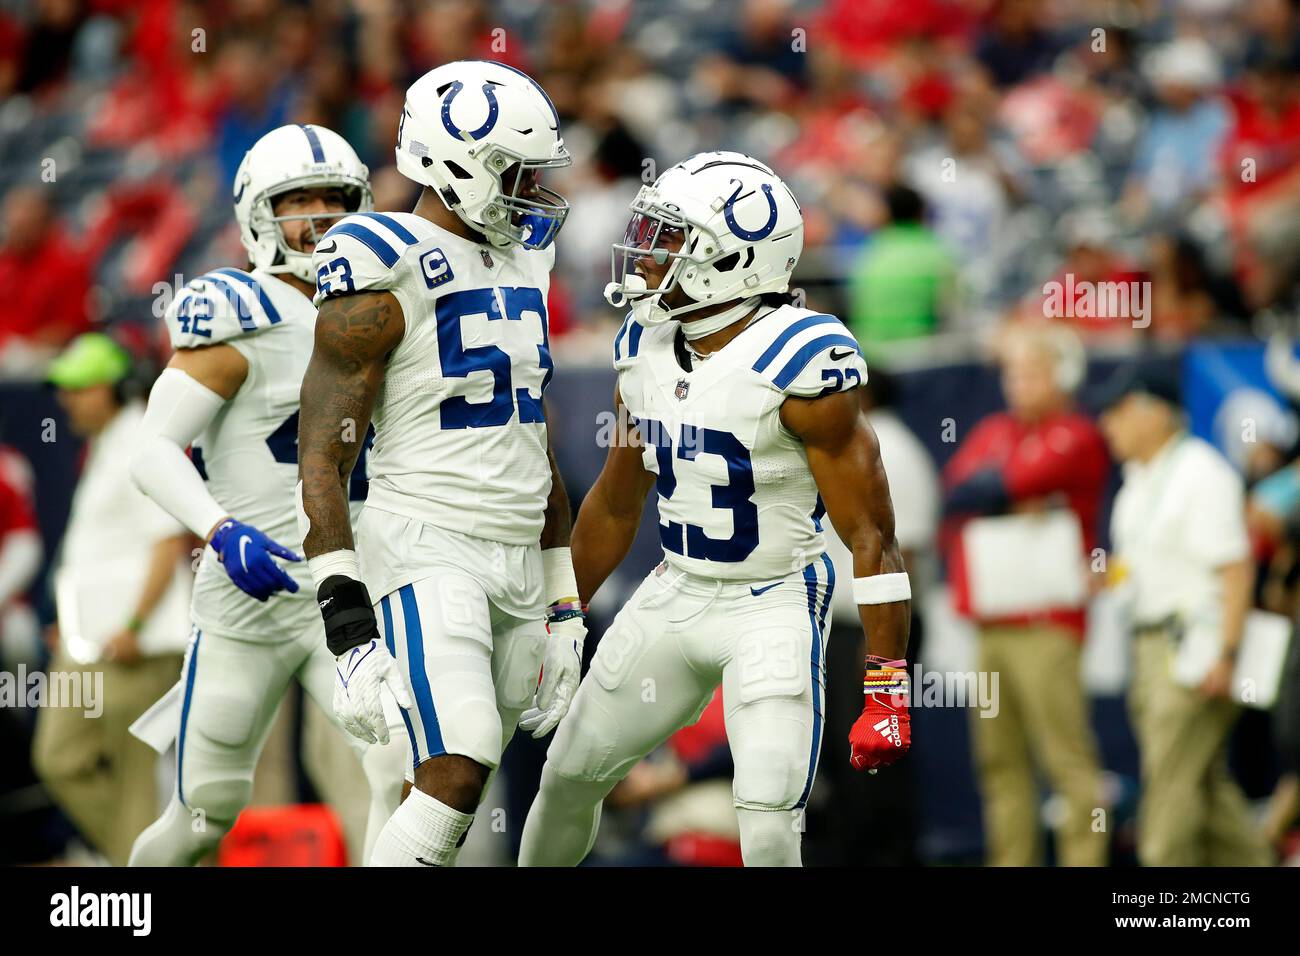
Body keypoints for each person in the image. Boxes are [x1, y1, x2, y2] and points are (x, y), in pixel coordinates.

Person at [519, 151, 912, 867]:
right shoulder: (645, 341)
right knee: (568, 777)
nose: (647, 251)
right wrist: (562, 614)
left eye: (671, 237)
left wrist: (887, 683)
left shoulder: (804, 363)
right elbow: (614, 501)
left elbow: (872, 535)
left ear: (731, 260)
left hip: (773, 599)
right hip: (676, 590)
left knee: (766, 821)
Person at [296, 60, 582, 867]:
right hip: (428, 542)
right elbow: (323, 452)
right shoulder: (379, 256)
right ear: (456, 163)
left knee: (452, 788)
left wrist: (563, 599)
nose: (530, 187)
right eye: (514, 170)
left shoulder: (528, 259)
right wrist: (346, 623)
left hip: (517, 552)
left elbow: (533, 436)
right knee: (458, 765)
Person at [127, 124, 404, 867]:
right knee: (201, 819)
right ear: (257, 214)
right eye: (297, 200)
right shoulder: (237, 313)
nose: (318, 216)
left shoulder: (390, 308)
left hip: (346, 590)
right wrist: (220, 531)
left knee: (403, 778)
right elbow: (149, 450)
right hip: (246, 597)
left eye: (335, 199)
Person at [941, 322, 1110, 866]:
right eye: (1012, 372)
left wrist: (1006, 490)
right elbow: (960, 489)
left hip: (1047, 621)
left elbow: (1002, 483)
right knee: (999, 761)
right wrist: (1010, 492)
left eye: (1031, 372)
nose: (1017, 384)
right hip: (993, 621)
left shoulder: (1078, 432)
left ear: (1063, 376)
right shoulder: (994, 429)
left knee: (1067, 759)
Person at [1097, 361, 1272, 866]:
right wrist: (1111, 578)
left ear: (1154, 412)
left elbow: (1235, 568)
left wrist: (1227, 653)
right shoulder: (1137, 480)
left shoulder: (1201, 472)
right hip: (1152, 649)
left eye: (1119, 411)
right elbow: (1154, 566)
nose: (1109, 424)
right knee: (1205, 788)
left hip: (1192, 653)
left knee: (1168, 801)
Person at [32, 333, 191, 866]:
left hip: (135, 648)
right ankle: (152, 860)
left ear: (114, 389)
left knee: (133, 781)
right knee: (60, 757)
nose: (67, 401)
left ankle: (145, 870)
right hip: (93, 647)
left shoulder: (138, 444)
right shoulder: (109, 444)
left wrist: (134, 626)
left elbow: (167, 543)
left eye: (80, 388)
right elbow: (101, 554)